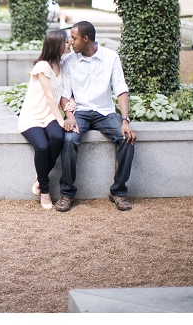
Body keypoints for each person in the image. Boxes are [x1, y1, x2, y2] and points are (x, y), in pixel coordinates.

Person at [56, 20, 137, 212]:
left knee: (127, 138)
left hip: (105, 112)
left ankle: (118, 191)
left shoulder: (111, 57)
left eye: (74, 38)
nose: (71, 42)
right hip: (80, 112)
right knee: (68, 139)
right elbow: (65, 94)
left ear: (86, 39)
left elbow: (121, 90)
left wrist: (125, 121)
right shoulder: (68, 61)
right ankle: (66, 194)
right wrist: (69, 116)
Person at [18, 30, 74, 210]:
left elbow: (65, 91)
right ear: (57, 45)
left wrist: (71, 101)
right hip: (33, 115)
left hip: (50, 114)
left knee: (58, 138)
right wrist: (60, 120)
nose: (70, 43)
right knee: (41, 146)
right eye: (67, 41)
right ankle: (44, 190)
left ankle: (38, 178)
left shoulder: (63, 64)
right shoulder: (42, 66)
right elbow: (50, 96)